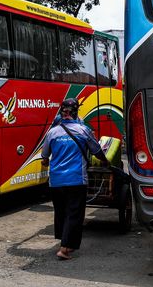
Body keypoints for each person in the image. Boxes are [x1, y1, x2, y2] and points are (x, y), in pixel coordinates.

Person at [41, 98, 109, 260]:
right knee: (74, 213)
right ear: (76, 112)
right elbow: (96, 150)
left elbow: (44, 157)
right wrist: (105, 161)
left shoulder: (52, 133)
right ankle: (64, 249)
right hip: (76, 180)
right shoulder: (83, 130)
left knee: (62, 212)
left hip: (56, 181)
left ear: (61, 113)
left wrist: (49, 160)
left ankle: (65, 243)